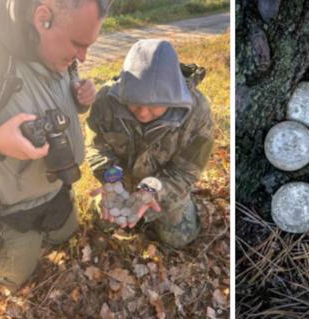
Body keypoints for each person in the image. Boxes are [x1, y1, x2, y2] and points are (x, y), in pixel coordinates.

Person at [0, 0, 110, 291]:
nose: (83, 58)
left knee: (66, 236)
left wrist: (80, 100)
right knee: (13, 279)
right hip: (11, 212)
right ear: (42, 17)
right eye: (77, 44)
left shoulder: (56, 53)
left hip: (59, 190)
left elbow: (55, 95)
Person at [86, 39, 214, 249]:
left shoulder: (197, 111)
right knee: (101, 222)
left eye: (155, 106)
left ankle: (172, 211)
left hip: (163, 186)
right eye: (134, 103)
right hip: (121, 183)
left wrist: (153, 192)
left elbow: (186, 171)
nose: (143, 113)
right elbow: (96, 146)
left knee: (179, 238)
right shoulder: (106, 100)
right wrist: (112, 179)